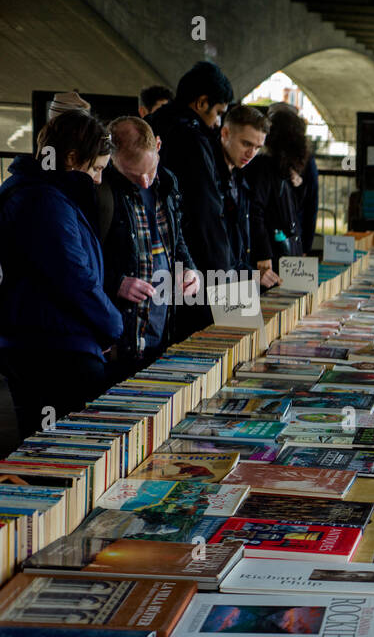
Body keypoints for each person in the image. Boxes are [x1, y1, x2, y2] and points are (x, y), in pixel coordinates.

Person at [0, 111, 123, 439]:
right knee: (67, 449)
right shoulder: (44, 200)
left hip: (44, 341)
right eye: (95, 168)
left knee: (49, 447)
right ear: (71, 159)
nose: (98, 180)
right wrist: (112, 324)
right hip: (55, 348)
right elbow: (74, 277)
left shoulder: (40, 192)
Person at [99, 116, 201, 371]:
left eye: (150, 171)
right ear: (112, 158)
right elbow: (80, 263)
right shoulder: (101, 190)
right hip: (118, 338)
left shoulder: (168, 182)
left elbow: (177, 242)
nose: (145, 182)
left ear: (158, 145)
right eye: (133, 174)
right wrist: (115, 283)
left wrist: (190, 270)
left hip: (161, 329)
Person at [146, 61, 234, 335]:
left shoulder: (152, 126)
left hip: (155, 260)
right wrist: (226, 274)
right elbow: (206, 210)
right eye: (218, 112)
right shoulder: (192, 138)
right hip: (195, 268)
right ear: (201, 103)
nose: (218, 123)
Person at [244, 109, 308, 278]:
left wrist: (298, 187)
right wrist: (263, 253)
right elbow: (256, 211)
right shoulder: (264, 167)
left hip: (281, 253)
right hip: (272, 255)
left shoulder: (281, 167)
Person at [217, 105, 277, 289]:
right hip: (215, 285)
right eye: (246, 144)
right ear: (225, 134)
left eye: (257, 147)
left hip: (236, 282)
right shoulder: (210, 179)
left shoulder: (241, 176)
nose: (251, 154)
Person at [266, 102, 318, 252]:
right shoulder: (305, 157)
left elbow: (310, 203)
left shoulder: (305, 159)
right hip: (288, 236)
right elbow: (311, 204)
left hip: (288, 235)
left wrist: (306, 245)